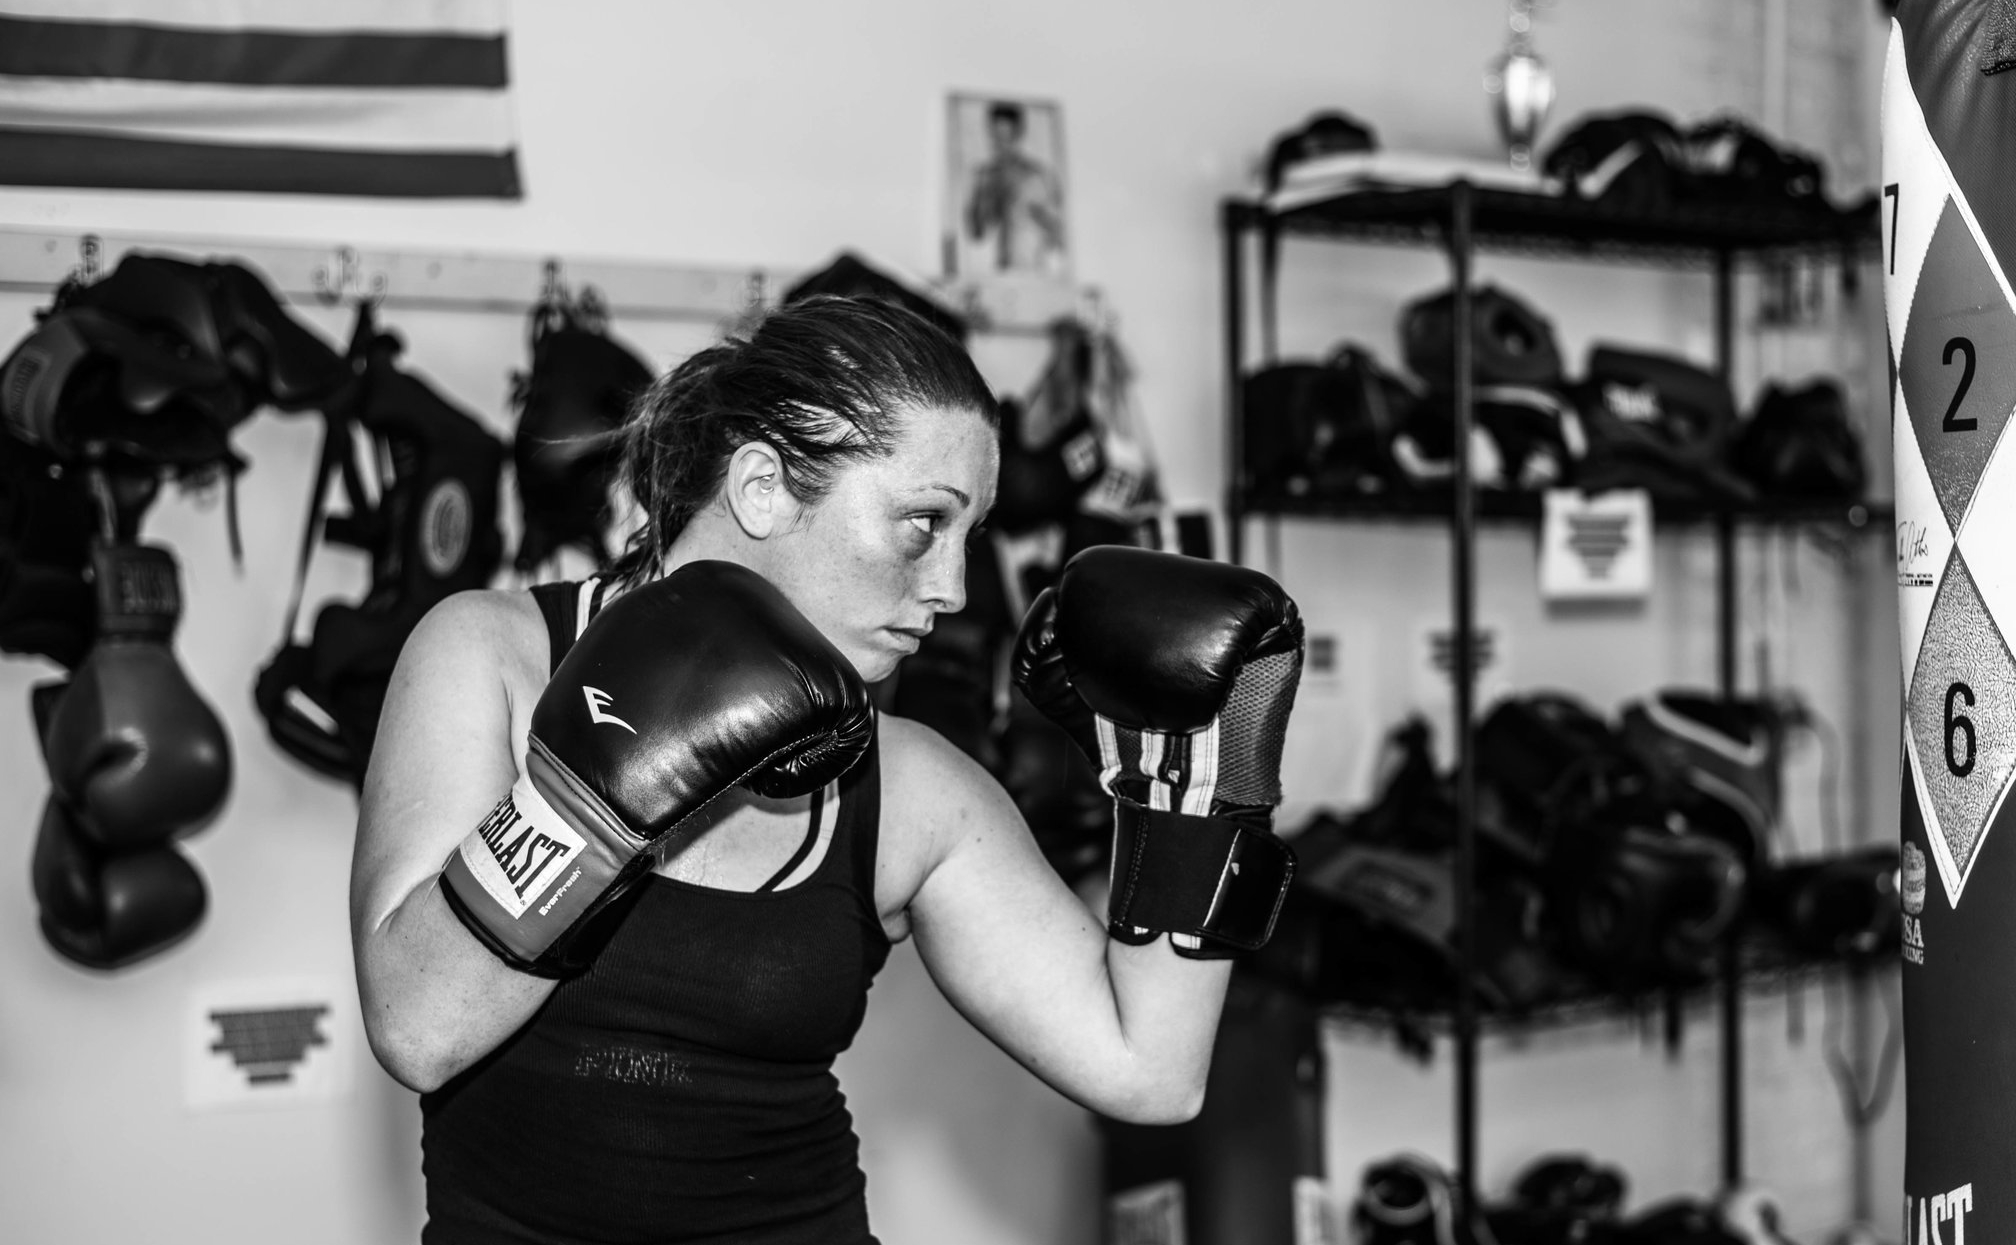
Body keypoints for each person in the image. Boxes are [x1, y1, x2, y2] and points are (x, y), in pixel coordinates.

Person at [350, 295, 1302, 1244]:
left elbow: (1149, 1071)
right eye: (923, 523)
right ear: (762, 485)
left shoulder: (918, 789)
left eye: (969, 537)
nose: (954, 588)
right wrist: (592, 797)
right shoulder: (494, 656)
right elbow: (417, 1028)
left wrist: (1194, 798)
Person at [963, 101, 1067, 275]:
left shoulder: (1039, 175)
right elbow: (976, 233)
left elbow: (1058, 233)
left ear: (1018, 133)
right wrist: (987, 197)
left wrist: (1031, 211)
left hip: (1034, 269)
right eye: (996, 136)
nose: (1001, 144)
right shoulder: (984, 175)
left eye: (1007, 136)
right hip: (994, 272)